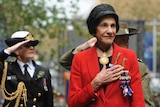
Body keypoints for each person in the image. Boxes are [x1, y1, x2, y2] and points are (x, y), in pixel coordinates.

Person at [61, 4, 145, 107]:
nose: (110, 31)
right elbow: (73, 103)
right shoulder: (79, 59)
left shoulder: (129, 56)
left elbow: (138, 101)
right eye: (104, 25)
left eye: (113, 26)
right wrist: (96, 83)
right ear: (94, 29)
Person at [0, 31, 53, 107]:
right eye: (27, 45)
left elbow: (48, 101)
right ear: (16, 50)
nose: (31, 48)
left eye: (33, 45)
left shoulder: (43, 71)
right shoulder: (6, 69)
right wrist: (8, 51)